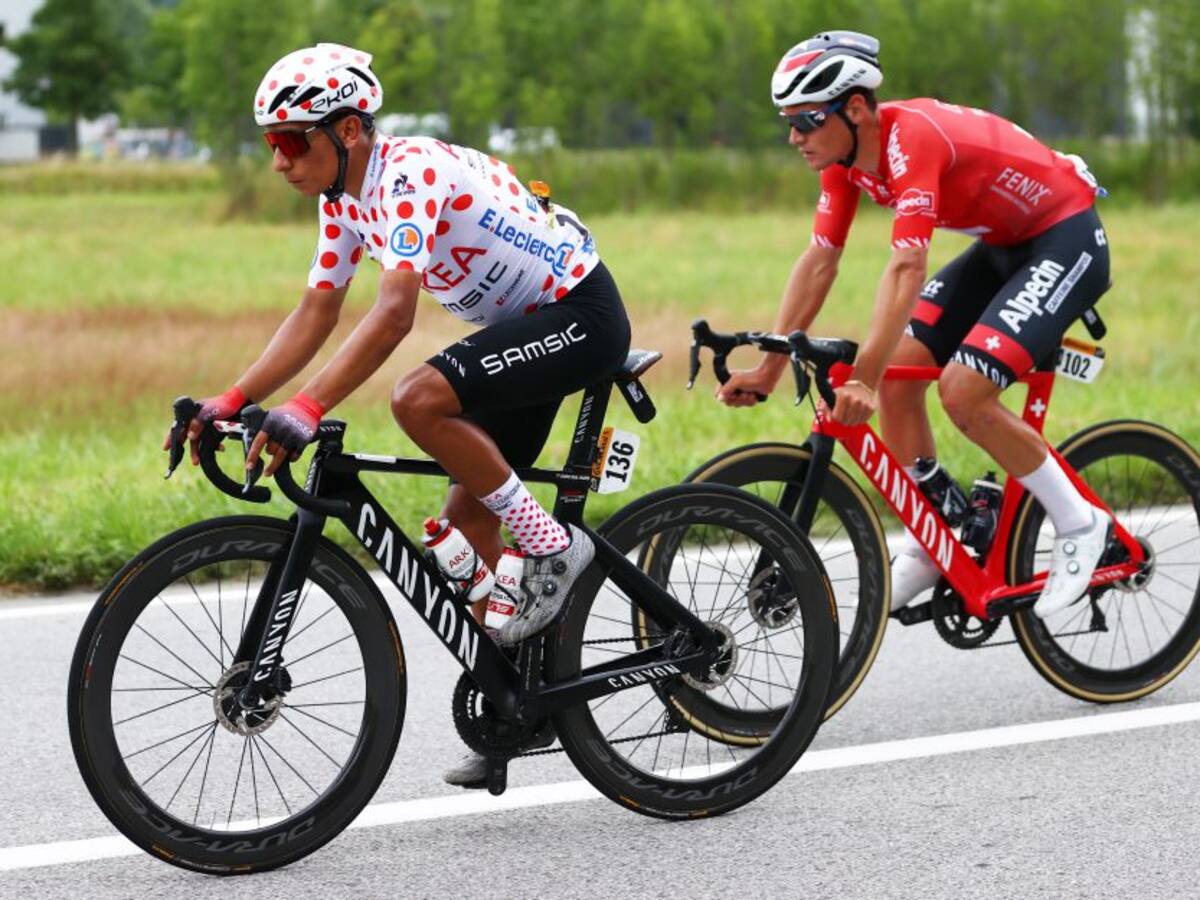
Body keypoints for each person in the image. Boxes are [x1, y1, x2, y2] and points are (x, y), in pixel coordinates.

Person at [169, 44, 631, 786]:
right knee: (466, 525)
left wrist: (309, 407)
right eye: (271, 145)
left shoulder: (407, 172)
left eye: (292, 142)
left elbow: (392, 314)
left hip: (579, 315)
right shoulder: (342, 199)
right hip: (526, 327)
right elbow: (318, 310)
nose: (280, 161)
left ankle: (552, 545)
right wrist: (234, 399)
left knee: (416, 398)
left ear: (348, 131)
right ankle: (526, 703)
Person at [717, 31, 1112, 619]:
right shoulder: (844, 160)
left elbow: (907, 265)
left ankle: (1081, 523)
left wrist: (863, 379)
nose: (794, 136)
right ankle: (939, 536)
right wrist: (771, 368)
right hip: (1004, 246)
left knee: (962, 390)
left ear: (854, 109)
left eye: (806, 119)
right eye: (788, 121)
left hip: (1064, 236)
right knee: (904, 380)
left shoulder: (913, 140)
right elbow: (821, 259)